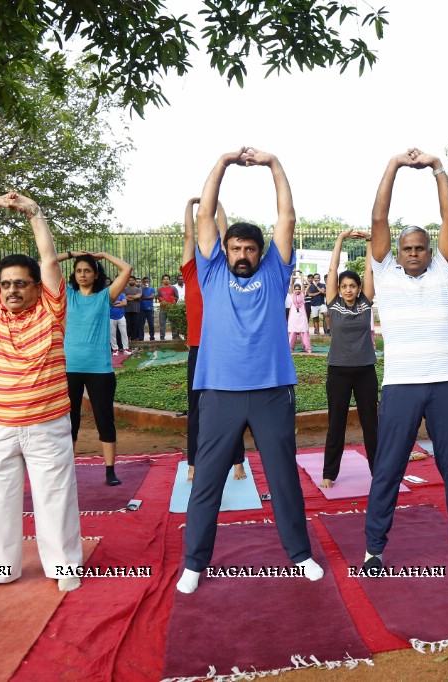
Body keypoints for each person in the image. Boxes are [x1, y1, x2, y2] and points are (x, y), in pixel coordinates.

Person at [177, 147, 322, 594]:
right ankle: (193, 563)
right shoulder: (212, 272)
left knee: (282, 478)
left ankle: (299, 554)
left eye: (250, 248)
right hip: (218, 393)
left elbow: (287, 217)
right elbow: (205, 218)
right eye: (236, 247)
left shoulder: (277, 272)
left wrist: (274, 164)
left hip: (272, 391)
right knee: (207, 482)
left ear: (261, 252)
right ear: (224, 249)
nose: (242, 253)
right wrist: (221, 164)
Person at [364, 147, 448, 573]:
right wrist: (392, 164)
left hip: (445, 385)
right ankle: (374, 547)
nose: (413, 253)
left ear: (431, 252)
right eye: (406, 247)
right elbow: (379, 220)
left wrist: (436, 168)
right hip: (400, 388)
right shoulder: (386, 273)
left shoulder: (444, 272)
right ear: (397, 250)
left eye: (420, 247)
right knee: (388, 471)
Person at [0, 190, 83, 594]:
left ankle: (65, 566)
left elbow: (49, 260)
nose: (12, 290)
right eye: (6, 284)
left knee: (55, 495)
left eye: (20, 284)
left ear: (38, 287)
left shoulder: (52, 310)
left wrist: (34, 213)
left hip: (47, 423)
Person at [181, 197, 246, 484]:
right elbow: (189, 236)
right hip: (198, 349)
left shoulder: (222, 271)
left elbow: (224, 231)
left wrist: (218, 205)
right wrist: (190, 205)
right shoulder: (192, 271)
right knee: (196, 408)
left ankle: (238, 461)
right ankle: (193, 462)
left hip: (225, 349)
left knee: (232, 407)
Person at [58, 251, 133, 485]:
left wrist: (102, 255)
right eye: (78, 270)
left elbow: (127, 269)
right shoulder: (67, 295)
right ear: (74, 274)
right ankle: (66, 470)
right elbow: (44, 265)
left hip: (100, 370)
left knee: (104, 418)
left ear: (95, 273)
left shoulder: (104, 297)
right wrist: (71, 254)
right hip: (70, 368)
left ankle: (110, 470)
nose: (82, 274)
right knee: (69, 420)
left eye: (87, 270)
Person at [322, 229, 378, 486]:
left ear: (358, 289)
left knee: (371, 423)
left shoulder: (365, 303)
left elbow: (369, 270)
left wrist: (369, 242)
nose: (347, 289)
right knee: (336, 423)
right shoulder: (333, 304)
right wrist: (341, 239)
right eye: (344, 286)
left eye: (351, 286)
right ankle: (329, 474)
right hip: (339, 371)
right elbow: (332, 270)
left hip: (365, 369)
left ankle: (378, 471)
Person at [287, 278, 312, 352]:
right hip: (293, 316)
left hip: (302, 316)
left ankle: (307, 348)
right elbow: (291, 284)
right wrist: (292, 277)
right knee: (292, 332)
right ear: (294, 290)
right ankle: (290, 348)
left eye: (299, 289)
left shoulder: (303, 294)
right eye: (296, 289)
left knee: (304, 331)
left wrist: (302, 278)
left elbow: (309, 285)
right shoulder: (291, 295)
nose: (297, 290)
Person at [109, 286, 131, 355]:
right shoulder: (109, 296)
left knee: (124, 333)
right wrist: (118, 302)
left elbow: (124, 303)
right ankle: (115, 350)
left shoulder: (122, 295)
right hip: (111, 317)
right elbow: (108, 303)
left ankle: (126, 349)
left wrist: (113, 304)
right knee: (112, 334)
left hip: (121, 317)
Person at [157, 274, 178, 339]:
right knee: (162, 323)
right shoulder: (160, 288)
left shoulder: (173, 288)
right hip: (163, 308)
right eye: (164, 279)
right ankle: (162, 336)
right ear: (162, 280)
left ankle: (175, 336)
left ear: (169, 280)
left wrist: (173, 303)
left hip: (172, 308)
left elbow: (177, 296)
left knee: (173, 322)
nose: (166, 280)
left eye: (167, 279)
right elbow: (158, 297)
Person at [123, 276, 142, 342]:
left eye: (132, 280)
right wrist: (134, 298)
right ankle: (127, 338)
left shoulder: (138, 289)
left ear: (134, 281)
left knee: (135, 324)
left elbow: (138, 296)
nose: (131, 281)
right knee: (128, 324)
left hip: (136, 309)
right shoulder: (124, 289)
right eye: (129, 280)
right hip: (127, 309)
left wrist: (129, 296)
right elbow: (124, 298)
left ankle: (133, 338)